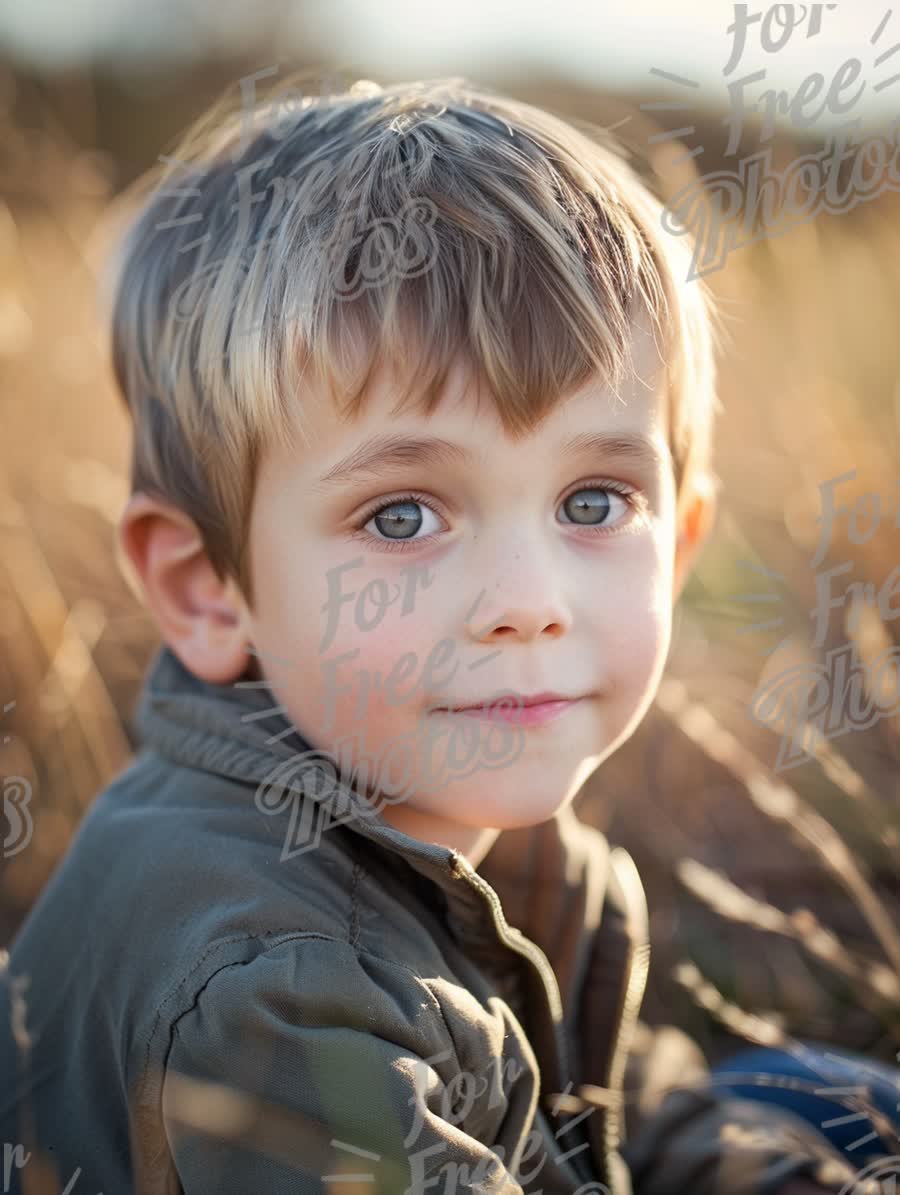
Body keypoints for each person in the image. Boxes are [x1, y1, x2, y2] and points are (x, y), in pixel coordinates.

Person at [0, 74, 891, 1195]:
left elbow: (619, 1113)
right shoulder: (270, 993)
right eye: (403, 516)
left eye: (594, 503)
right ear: (210, 588)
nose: (528, 598)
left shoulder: (470, 818)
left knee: (826, 1102)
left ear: (682, 539)